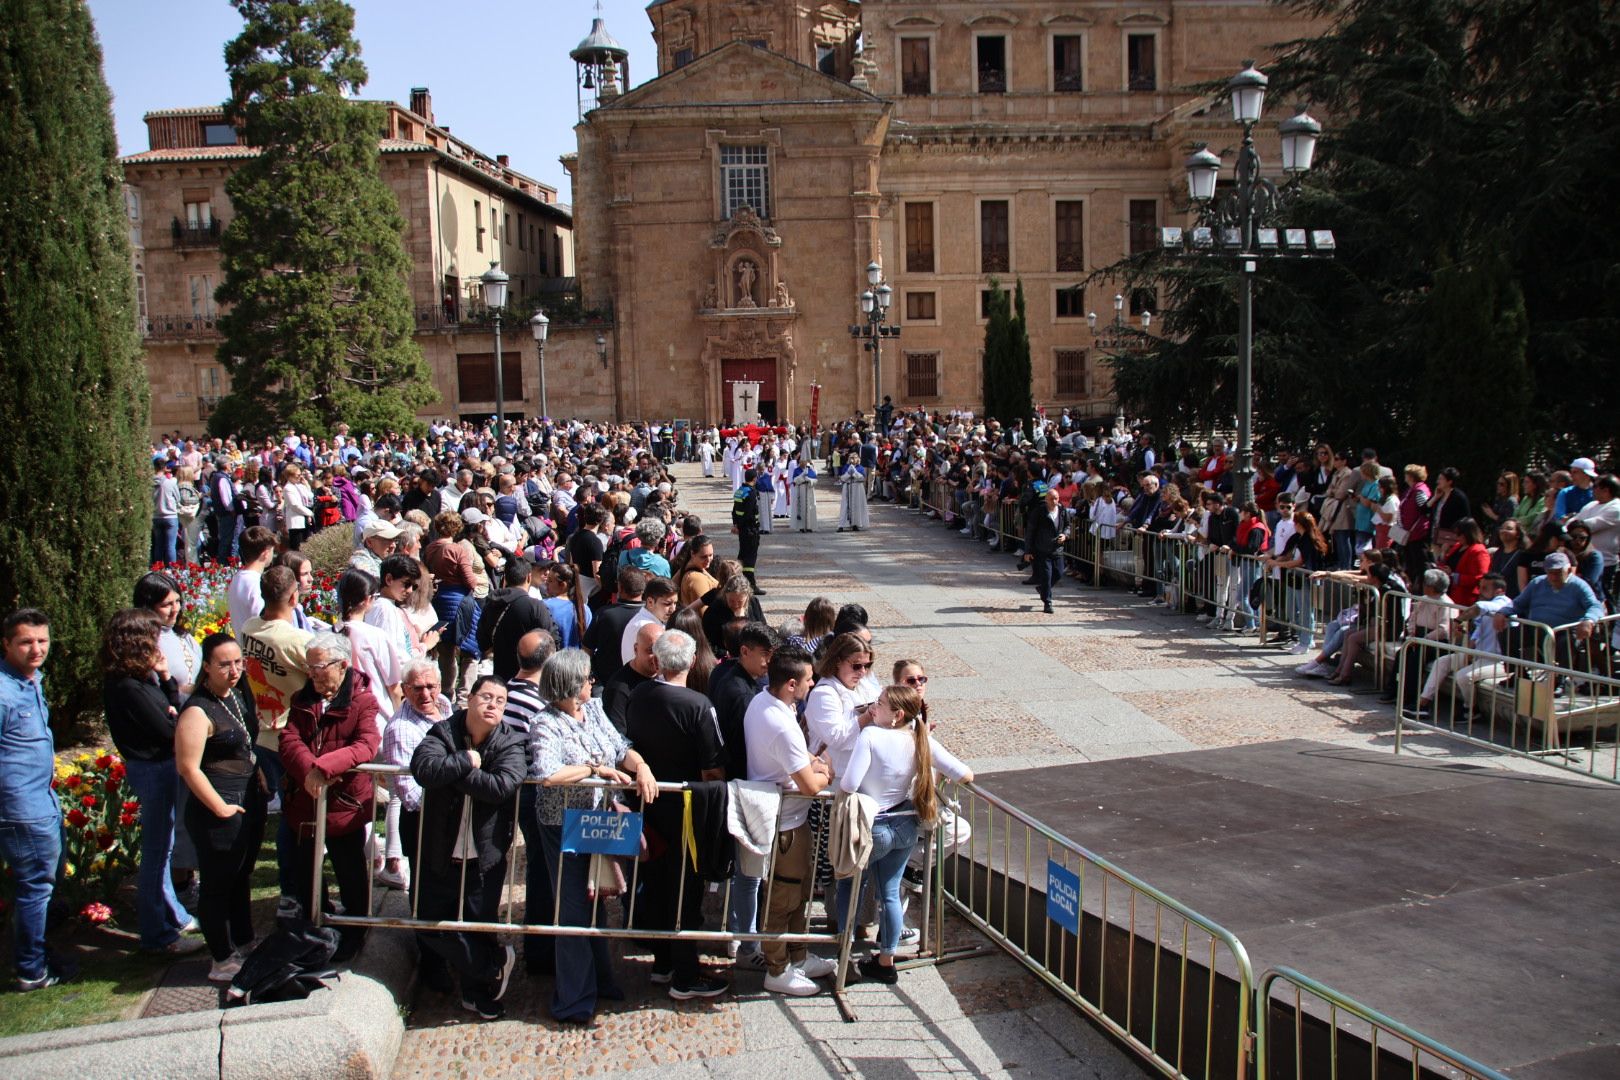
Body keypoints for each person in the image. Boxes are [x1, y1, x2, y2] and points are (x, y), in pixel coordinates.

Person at [527, 649, 658, 1024]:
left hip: (598, 818)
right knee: (571, 909)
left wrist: (642, 768)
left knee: (597, 897)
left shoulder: (596, 709)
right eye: (586, 678)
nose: (592, 682)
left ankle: (601, 979)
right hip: (563, 824)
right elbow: (548, 773)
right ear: (570, 686)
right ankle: (573, 998)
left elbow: (620, 748)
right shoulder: (545, 724)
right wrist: (594, 769)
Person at [837, 684, 972, 984]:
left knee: (850, 884)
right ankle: (886, 960)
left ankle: (843, 952)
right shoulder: (919, 739)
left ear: (897, 714)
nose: (873, 707)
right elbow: (964, 773)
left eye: (880, 704)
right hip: (906, 825)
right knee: (890, 892)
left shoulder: (871, 735)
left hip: (875, 825)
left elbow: (849, 783)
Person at [409, 674, 526, 1020]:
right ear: (470, 699)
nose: (493, 705)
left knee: (479, 925)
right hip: (440, 850)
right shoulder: (443, 732)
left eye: (501, 701)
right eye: (487, 697)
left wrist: (457, 769)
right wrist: (467, 761)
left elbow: (501, 786)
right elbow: (423, 768)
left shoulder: (510, 741)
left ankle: (477, 994)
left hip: (484, 855)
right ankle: (491, 967)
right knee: (427, 922)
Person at [624, 631, 729, 1000]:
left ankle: (664, 961)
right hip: (686, 809)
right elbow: (713, 765)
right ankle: (685, 974)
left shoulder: (638, 695)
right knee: (685, 891)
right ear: (690, 660)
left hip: (650, 805)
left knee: (658, 884)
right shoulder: (698, 705)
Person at [102, 608, 205, 954]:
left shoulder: (140, 680)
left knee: (162, 849)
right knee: (157, 855)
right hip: (152, 769)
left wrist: (165, 681)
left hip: (158, 766)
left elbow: (170, 710)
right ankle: (157, 936)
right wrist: (172, 703)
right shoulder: (128, 687)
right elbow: (169, 728)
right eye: (153, 640)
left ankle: (166, 918)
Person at [281, 632, 381, 962]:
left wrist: (324, 768)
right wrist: (310, 770)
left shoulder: (362, 700)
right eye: (309, 667)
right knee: (306, 867)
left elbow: (366, 744)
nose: (312, 673)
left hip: (344, 803)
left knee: (349, 867)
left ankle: (355, 926)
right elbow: (290, 739)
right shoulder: (302, 699)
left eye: (318, 666)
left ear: (342, 665)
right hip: (306, 801)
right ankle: (317, 921)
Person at [174, 634, 267, 981]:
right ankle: (221, 957)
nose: (233, 670)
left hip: (247, 799)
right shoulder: (198, 709)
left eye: (238, 663)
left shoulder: (237, 696)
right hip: (218, 808)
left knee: (241, 875)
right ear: (207, 667)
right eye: (224, 664)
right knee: (217, 884)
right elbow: (188, 767)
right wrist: (220, 807)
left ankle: (243, 940)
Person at [743, 646, 834, 996]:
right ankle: (777, 968)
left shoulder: (764, 702)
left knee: (798, 896)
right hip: (785, 826)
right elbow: (811, 786)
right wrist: (828, 770)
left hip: (791, 821)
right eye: (809, 680)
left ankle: (797, 955)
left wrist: (813, 761)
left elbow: (799, 757)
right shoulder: (780, 723)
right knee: (782, 899)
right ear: (791, 684)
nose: (812, 686)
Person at [0, 609, 72, 991]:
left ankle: (40, 953)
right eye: (26, 642)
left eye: (42, 640)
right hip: (20, 808)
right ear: (7, 643)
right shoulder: (4, 691)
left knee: (46, 884)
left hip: (41, 801)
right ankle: (31, 968)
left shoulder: (31, 681)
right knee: (35, 888)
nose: (36, 649)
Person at [135, 570, 201, 697]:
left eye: (177, 601)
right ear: (148, 607)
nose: (176, 609)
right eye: (167, 605)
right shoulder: (143, 644)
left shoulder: (183, 636)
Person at [227, 526, 278, 637]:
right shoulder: (256, 583)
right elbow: (262, 621)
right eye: (272, 551)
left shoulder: (237, 578)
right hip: (255, 647)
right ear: (265, 553)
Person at [1025, 482, 1067, 615]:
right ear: (1046, 499)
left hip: (1057, 549)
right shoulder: (1039, 512)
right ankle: (1047, 602)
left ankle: (1043, 589)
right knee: (1047, 576)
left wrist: (1065, 535)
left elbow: (1068, 526)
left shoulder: (1062, 511)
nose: (1054, 501)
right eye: (1051, 499)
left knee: (1059, 573)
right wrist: (1028, 551)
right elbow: (1030, 531)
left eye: (1056, 498)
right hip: (1042, 549)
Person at [619, 576, 679, 664]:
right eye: (667, 604)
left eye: (675, 603)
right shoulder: (641, 626)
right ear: (650, 602)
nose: (673, 609)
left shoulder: (657, 621)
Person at [732, 467, 766, 594]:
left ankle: (739, 579)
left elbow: (735, 511)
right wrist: (741, 525)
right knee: (750, 558)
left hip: (742, 529)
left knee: (743, 555)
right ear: (754, 479)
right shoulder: (751, 493)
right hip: (750, 529)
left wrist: (736, 525)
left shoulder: (740, 491)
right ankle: (751, 585)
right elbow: (748, 513)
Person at [671, 535, 718, 611]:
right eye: (703, 557)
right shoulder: (696, 578)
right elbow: (703, 612)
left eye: (711, 555)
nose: (708, 559)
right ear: (692, 554)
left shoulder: (696, 569)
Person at [152, 458, 181, 565]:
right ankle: (172, 571)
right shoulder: (170, 483)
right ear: (165, 468)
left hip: (155, 516)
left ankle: (157, 568)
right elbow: (178, 498)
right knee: (170, 545)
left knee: (158, 545)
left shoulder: (149, 483)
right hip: (170, 516)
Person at [837, 458, 869, 532]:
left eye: (854, 458)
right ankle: (842, 525)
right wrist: (848, 473)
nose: (852, 460)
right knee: (845, 506)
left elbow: (862, 478)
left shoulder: (860, 468)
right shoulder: (846, 467)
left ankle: (855, 524)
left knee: (856, 506)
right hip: (847, 487)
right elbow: (842, 478)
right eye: (851, 458)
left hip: (857, 488)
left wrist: (854, 472)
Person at [791, 456, 819, 532]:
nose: (803, 463)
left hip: (809, 490)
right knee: (802, 507)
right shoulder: (796, 470)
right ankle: (801, 526)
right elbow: (795, 480)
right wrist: (802, 475)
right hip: (801, 490)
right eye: (801, 461)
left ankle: (809, 526)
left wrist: (809, 480)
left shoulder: (810, 470)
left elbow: (816, 480)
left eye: (804, 461)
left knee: (810, 507)